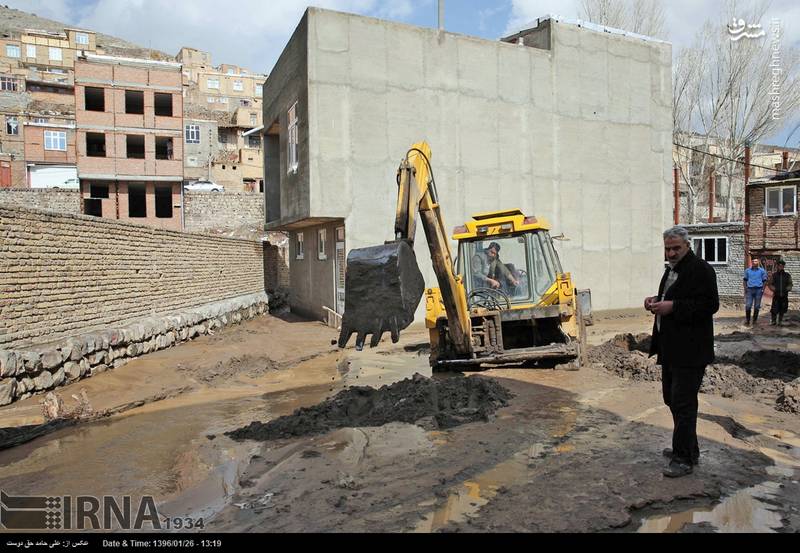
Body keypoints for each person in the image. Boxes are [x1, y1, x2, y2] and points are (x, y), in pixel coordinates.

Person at [644, 226, 719, 478]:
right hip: (671, 348)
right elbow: (674, 296)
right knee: (672, 399)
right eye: (668, 248)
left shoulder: (701, 269)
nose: (671, 253)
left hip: (691, 350)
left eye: (676, 248)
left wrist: (673, 306)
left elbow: (710, 304)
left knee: (684, 403)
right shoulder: (672, 271)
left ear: (688, 245)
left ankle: (683, 458)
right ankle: (690, 448)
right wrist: (655, 300)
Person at [743, 258, 768, 326]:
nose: (754, 262)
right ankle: (748, 321)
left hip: (758, 290)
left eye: (756, 261)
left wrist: (763, 289)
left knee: (757, 306)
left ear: (758, 262)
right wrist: (745, 289)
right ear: (752, 262)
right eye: (753, 261)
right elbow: (745, 280)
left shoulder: (762, 271)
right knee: (748, 306)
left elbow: (765, 281)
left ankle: (754, 320)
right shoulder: (747, 271)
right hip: (750, 290)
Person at [769, 259, 793, 326]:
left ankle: (780, 321)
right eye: (779, 266)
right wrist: (774, 289)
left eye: (782, 266)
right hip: (776, 295)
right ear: (777, 266)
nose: (781, 267)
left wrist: (787, 289)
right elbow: (770, 284)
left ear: (783, 266)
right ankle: (773, 321)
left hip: (784, 295)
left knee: (782, 309)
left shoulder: (787, 275)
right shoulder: (774, 275)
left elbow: (790, 284)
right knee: (774, 309)